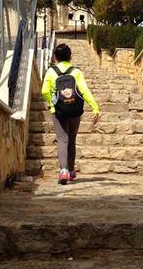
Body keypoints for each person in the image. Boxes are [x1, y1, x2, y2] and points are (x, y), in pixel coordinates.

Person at [41, 43, 100, 184]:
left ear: (55, 57)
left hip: (58, 110)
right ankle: (72, 170)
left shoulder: (51, 71)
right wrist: (94, 106)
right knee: (72, 140)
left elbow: (44, 91)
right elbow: (84, 90)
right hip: (74, 110)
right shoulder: (76, 72)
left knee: (62, 139)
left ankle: (63, 171)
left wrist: (52, 103)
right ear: (70, 56)